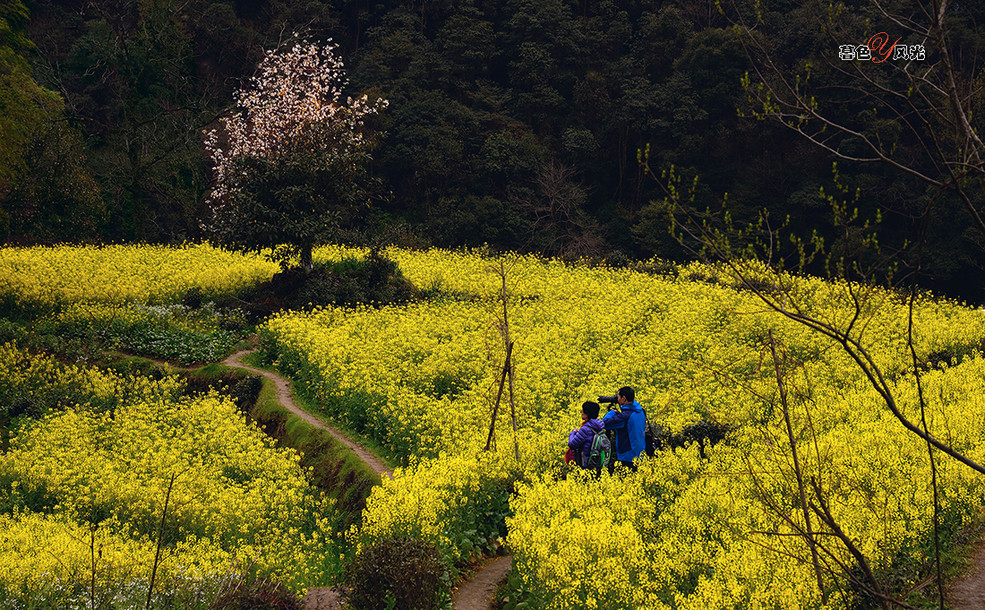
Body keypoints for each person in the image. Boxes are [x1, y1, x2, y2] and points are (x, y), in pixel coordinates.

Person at [602, 386, 646, 471]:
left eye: (618, 397)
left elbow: (604, 423)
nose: (617, 399)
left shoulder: (625, 416)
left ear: (624, 398)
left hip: (628, 456)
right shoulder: (640, 411)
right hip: (640, 453)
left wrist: (612, 412)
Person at [567, 401, 605, 469]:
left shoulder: (585, 429)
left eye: (583, 411)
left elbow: (572, 444)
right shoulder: (599, 425)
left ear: (587, 414)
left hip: (585, 463)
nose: (581, 413)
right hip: (595, 461)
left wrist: (573, 433)